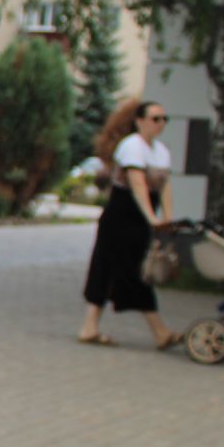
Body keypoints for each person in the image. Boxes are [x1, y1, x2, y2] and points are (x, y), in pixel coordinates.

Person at [80, 99, 182, 348]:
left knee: (107, 270)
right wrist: (152, 218)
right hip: (121, 217)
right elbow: (137, 186)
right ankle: (160, 332)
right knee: (133, 273)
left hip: (138, 220)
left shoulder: (161, 151)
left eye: (164, 119)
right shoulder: (132, 146)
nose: (160, 124)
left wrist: (167, 217)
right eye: (155, 118)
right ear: (139, 121)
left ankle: (89, 328)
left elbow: (165, 187)